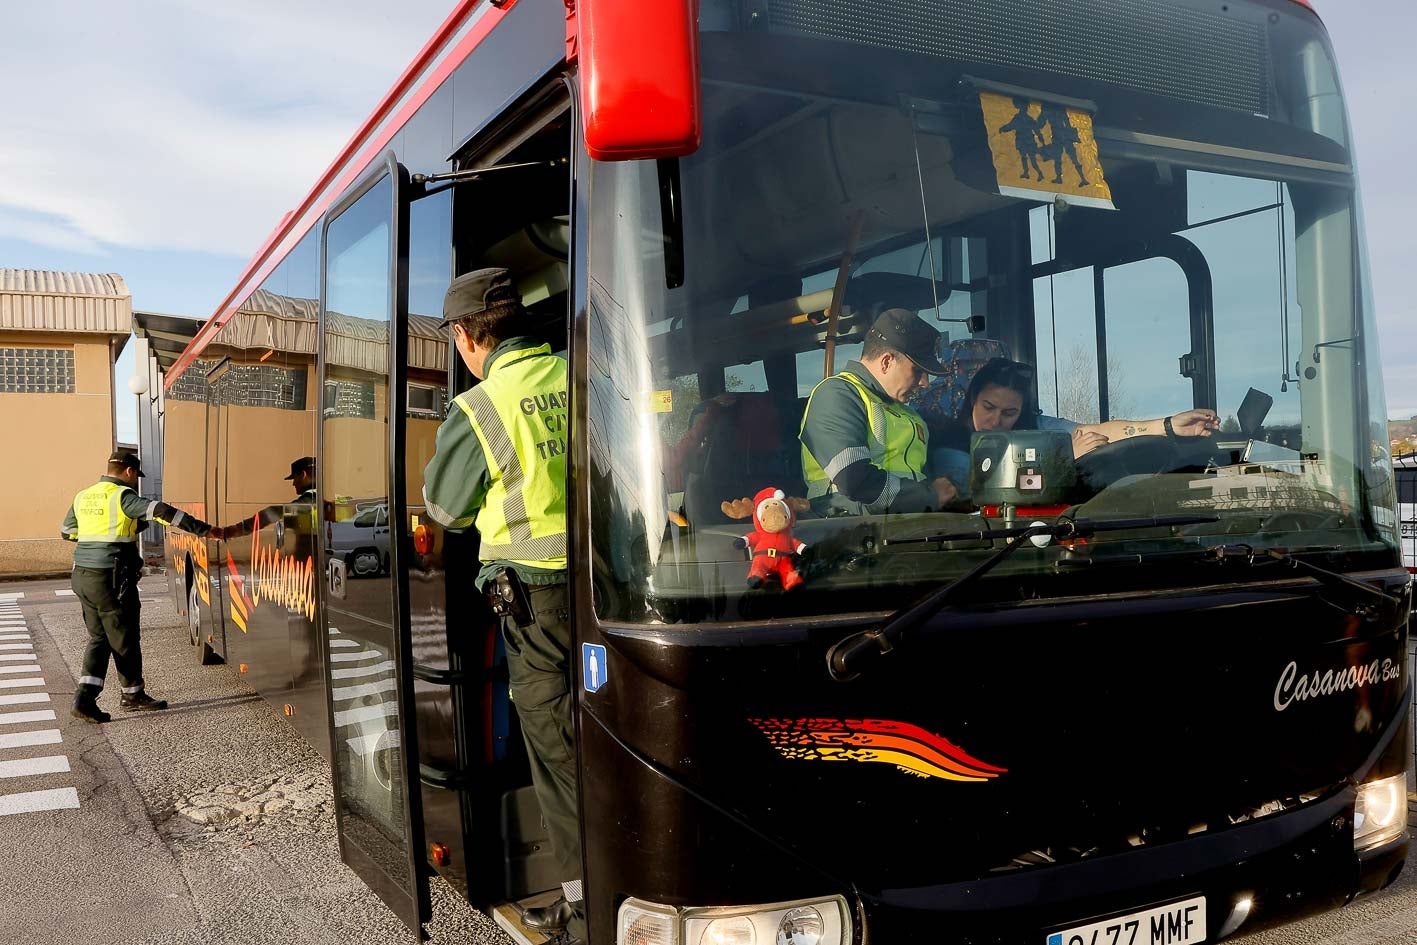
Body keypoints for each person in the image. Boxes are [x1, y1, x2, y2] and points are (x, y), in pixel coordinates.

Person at [420, 269, 582, 940]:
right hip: (613, 586)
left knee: (558, 749)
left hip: (536, 602)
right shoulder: (581, 372)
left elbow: (445, 509)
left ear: (464, 335)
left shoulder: (481, 406)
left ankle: (587, 908)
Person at [60, 450, 220, 723]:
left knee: (100, 638)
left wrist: (114, 533)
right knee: (125, 637)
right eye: (136, 478)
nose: (136, 483)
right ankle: (131, 695)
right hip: (110, 576)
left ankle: (85, 698)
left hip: (83, 575)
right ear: (130, 472)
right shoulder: (122, 496)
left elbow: (68, 531)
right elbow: (159, 510)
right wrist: (205, 530)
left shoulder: (83, 495)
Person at [930, 357, 1221, 496]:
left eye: (1009, 412)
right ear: (972, 400)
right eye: (988, 407)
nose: (995, 421)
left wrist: (1168, 426)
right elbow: (981, 495)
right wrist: (1065, 458)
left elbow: (1101, 432)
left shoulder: (1033, 427)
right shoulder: (952, 446)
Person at [799, 308, 959, 515]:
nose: (924, 383)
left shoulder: (911, 415)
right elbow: (854, 481)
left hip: (907, 534)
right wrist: (929, 496)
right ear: (886, 361)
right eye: (918, 371)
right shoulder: (836, 394)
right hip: (844, 536)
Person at [216, 456, 316, 542]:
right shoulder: (320, 495)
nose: (293, 483)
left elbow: (277, 512)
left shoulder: (312, 499)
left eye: (294, 478)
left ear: (303, 475)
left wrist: (236, 530)